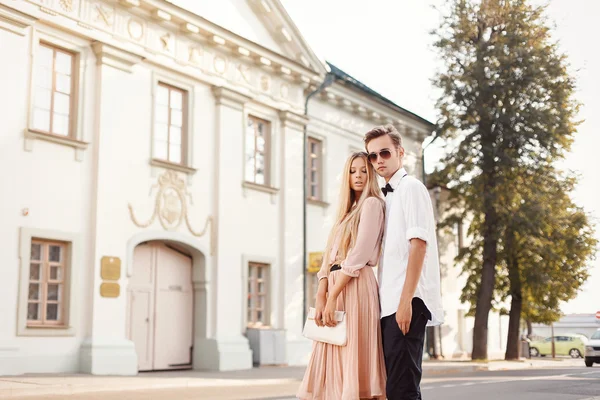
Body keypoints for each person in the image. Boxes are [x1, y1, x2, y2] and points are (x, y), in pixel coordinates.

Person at [297, 151, 386, 400]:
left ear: (371, 175)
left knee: (351, 352)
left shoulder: (372, 204)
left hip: (356, 285)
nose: (357, 176)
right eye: (352, 171)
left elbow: (359, 254)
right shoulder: (345, 213)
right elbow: (328, 257)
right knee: (330, 350)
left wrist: (334, 295)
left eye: (363, 171)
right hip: (336, 285)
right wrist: (321, 294)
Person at [364, 124, 444, 400]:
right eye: (372, 156)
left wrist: (405, 302)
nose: (378, 161)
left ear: (401, 152)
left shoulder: (411, 188)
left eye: (384, 153)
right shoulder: (386, 197)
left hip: (405, 302)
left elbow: (418, 246)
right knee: (394, 388)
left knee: (403, 389)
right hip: (389, 305)